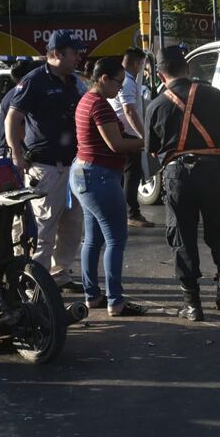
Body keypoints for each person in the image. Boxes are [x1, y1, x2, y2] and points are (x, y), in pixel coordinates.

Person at [144, 45, 220, 322]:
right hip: (214, 172)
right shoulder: (211, 93)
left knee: (182, 237)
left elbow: (152, 149)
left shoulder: (156, 104)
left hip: (178, 176)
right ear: (188, 68)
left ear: (161, 76)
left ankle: (193, 305)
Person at [5, 29, 85, 293]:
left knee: (72, 226)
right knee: (42, 228)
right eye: (74, 52)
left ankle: (59, 274)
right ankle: (32, 283)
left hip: (72, 166)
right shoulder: (35, 80)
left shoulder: (74, 82)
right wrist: (16, 153)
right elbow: (13, 118)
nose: (78, 57)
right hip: (45, 167)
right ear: (58, 53)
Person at [71, 57, 147, 317]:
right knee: (116, 239)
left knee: (93, 240)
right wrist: (144, 143)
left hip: (83, 172)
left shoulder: (85, 100)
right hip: (99, 176)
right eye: (118, 83)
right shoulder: (99, 105)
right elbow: (115, 144)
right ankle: (116, 301)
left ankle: (92, 295)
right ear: (104, 78)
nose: (120, 89)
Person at [108, 47, 154, 228]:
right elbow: (129, 111)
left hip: (122, 132)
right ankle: (131, 213)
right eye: (142, 64)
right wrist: (143, 135)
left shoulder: (123, 81)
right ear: (137, 63)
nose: (142, 68)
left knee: (125, 175)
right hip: (128, 134)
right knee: (131, 175)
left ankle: (123, 212)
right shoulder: (128, 82)